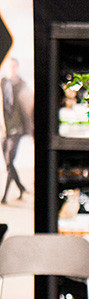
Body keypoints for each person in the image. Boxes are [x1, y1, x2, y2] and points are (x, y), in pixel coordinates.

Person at [1, 58, 31, 205]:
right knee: (8, 163)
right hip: (4, 128)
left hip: (17, 129)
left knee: (9, 159)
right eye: (9, 67)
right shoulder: (3, 83)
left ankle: (4, 197)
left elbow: (28, 110)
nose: (12, 69)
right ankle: (21, 187)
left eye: (14, 67)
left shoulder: (22, 85)